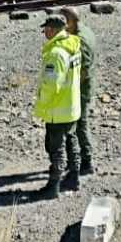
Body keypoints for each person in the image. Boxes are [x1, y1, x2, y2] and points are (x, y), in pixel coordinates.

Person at [33, 14, 82, 199]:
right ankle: (74, 179)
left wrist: (41, 104)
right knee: (72, 141)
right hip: (71, 105)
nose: (44, 32)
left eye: (46, 29)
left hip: (57, 109)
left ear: (52, 30)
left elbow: (51, 85)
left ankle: (53, 187)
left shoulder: (56, 53)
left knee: (56, 147)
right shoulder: (72, 45)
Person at [59, 7, 98, 175]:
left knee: (80, 124)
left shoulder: (81, 39)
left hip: (81, 89)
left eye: (64, 21)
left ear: (72, 21)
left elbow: (83, 70)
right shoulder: (82, 30)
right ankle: (76, 160)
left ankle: (87, 161)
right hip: (80, 86)